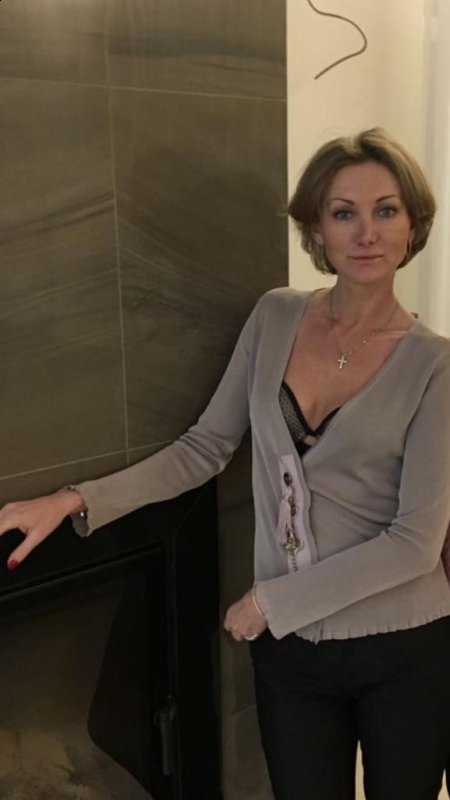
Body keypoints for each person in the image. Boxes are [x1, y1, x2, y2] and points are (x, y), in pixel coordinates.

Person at [1, 127, 450, 800]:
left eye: (386, 210)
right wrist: (78, 498)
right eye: (343, 212)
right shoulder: (274, 316)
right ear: (316, 228)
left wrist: (270, 602)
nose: (366, 232)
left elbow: (414, 542)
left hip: (402, 645)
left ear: (412, 224)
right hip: (291, 651)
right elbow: (205, 447)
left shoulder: (436, 366)